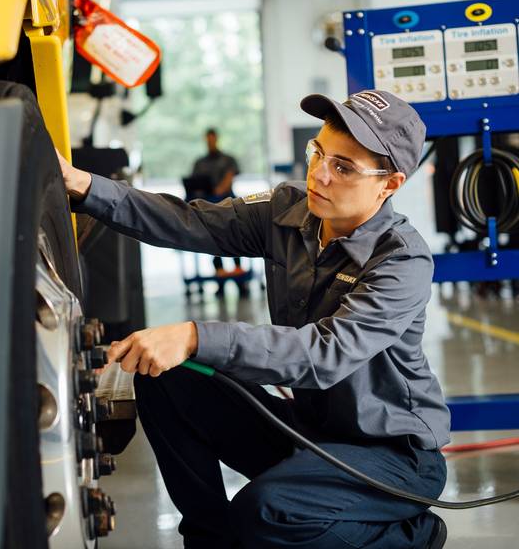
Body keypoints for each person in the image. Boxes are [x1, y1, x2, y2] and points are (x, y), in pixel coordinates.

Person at [57, 89, 450, 549]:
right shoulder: (288, 209)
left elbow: (325, 354)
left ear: (390, 184)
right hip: (311, 433)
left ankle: (413, 537)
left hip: (391, 454)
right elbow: (188, 221)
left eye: (344, 167)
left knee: (265, 514)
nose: (319, 174)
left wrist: (195, 336)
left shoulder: (402, 261)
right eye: (318, 152)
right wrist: (84, 185)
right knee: (168, 377)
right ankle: (208, 539)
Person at [190, 128, 246, 296]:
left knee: (236, 237)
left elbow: (229, 179)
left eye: (212, 139)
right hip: (208, 205)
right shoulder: (200, 163)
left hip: (228, 204)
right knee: (213, 239)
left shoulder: (228, 160)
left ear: (217, 139)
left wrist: (219, 191)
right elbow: (195, 182)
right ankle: (220, 276)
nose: (210, 142)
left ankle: (239, 278)